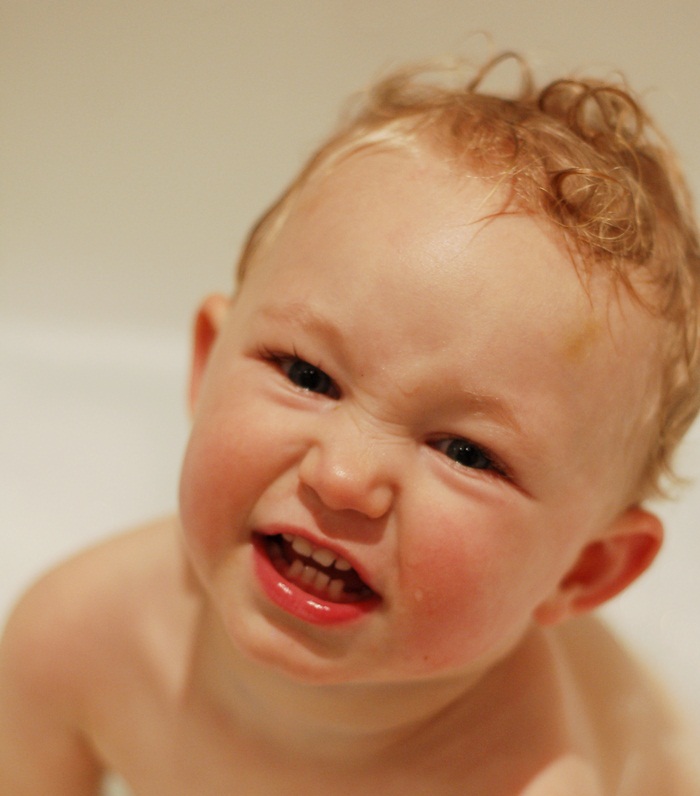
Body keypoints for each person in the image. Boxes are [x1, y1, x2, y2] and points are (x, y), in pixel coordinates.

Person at [1, 52, 699, 795]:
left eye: (466, 452)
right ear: (206, 365)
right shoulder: (76, 640)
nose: (343, 477)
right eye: (307, 375)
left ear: (585, 570)